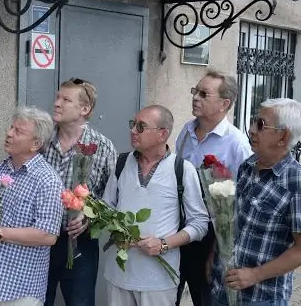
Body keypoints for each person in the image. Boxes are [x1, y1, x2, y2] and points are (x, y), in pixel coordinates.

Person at [103, 105, 209, 306]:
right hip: (118, 275)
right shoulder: (122, 162)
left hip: (158, 280)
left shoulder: (182, 170)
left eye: (141, 126)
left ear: (162, 134)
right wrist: (112, 228)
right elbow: (107, 206)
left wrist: (164, 244)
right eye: (133, 124)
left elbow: (200, 224)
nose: (133, 130)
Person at [0, 106, 64, 306]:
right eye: (11, 127)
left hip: (22, 287)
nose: (9, 133)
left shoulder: (47, 181)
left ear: (36, 143)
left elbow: (48, 235)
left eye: (18, 131)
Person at [210, 98, 301, 306]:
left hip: (262, 298)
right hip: (223, 288)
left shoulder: (295, 180)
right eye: (253, 121)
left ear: (283, 136)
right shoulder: (247, 166)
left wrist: (255, 275)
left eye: (260, 124)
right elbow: (233, 223)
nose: (251, 130)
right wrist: (213, 260)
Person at [175, 69, 252, 306]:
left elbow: (242, 200)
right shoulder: (187, 131)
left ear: (224, 103)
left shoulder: (237, 144)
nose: (195, 97)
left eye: (203, 93)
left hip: (211, 236)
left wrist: (219, 249)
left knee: (205, 298)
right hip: (180, 227)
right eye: (195, 91)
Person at [43, 78, 118, 306]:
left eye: (65, 99)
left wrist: (90, 218)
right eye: (57, 97)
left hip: (80, 242)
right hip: (40, 239)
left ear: (85, 109)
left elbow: (113, 199)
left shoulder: (103, 147)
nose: (57, 103)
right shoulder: (42, 141)